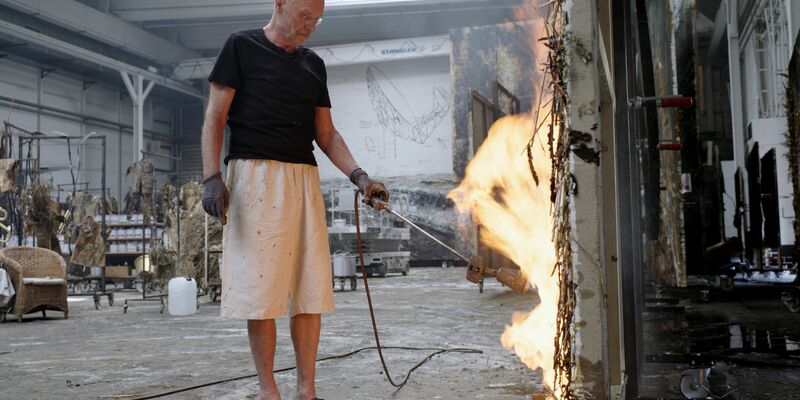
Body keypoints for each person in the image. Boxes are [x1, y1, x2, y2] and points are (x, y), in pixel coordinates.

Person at [200, 1, 389, 399]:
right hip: (254, 177)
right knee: (261, 292)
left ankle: (307, 390)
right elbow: (215, 117)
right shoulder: (241, 47)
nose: (311, 26)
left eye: (317, 19)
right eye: (305, 16)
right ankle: (269, 390)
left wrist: (360, 175)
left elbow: (327, 133)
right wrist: (212, 177)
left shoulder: (313, 64)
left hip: (302, 179)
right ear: (280, 3)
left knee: (309, 289)